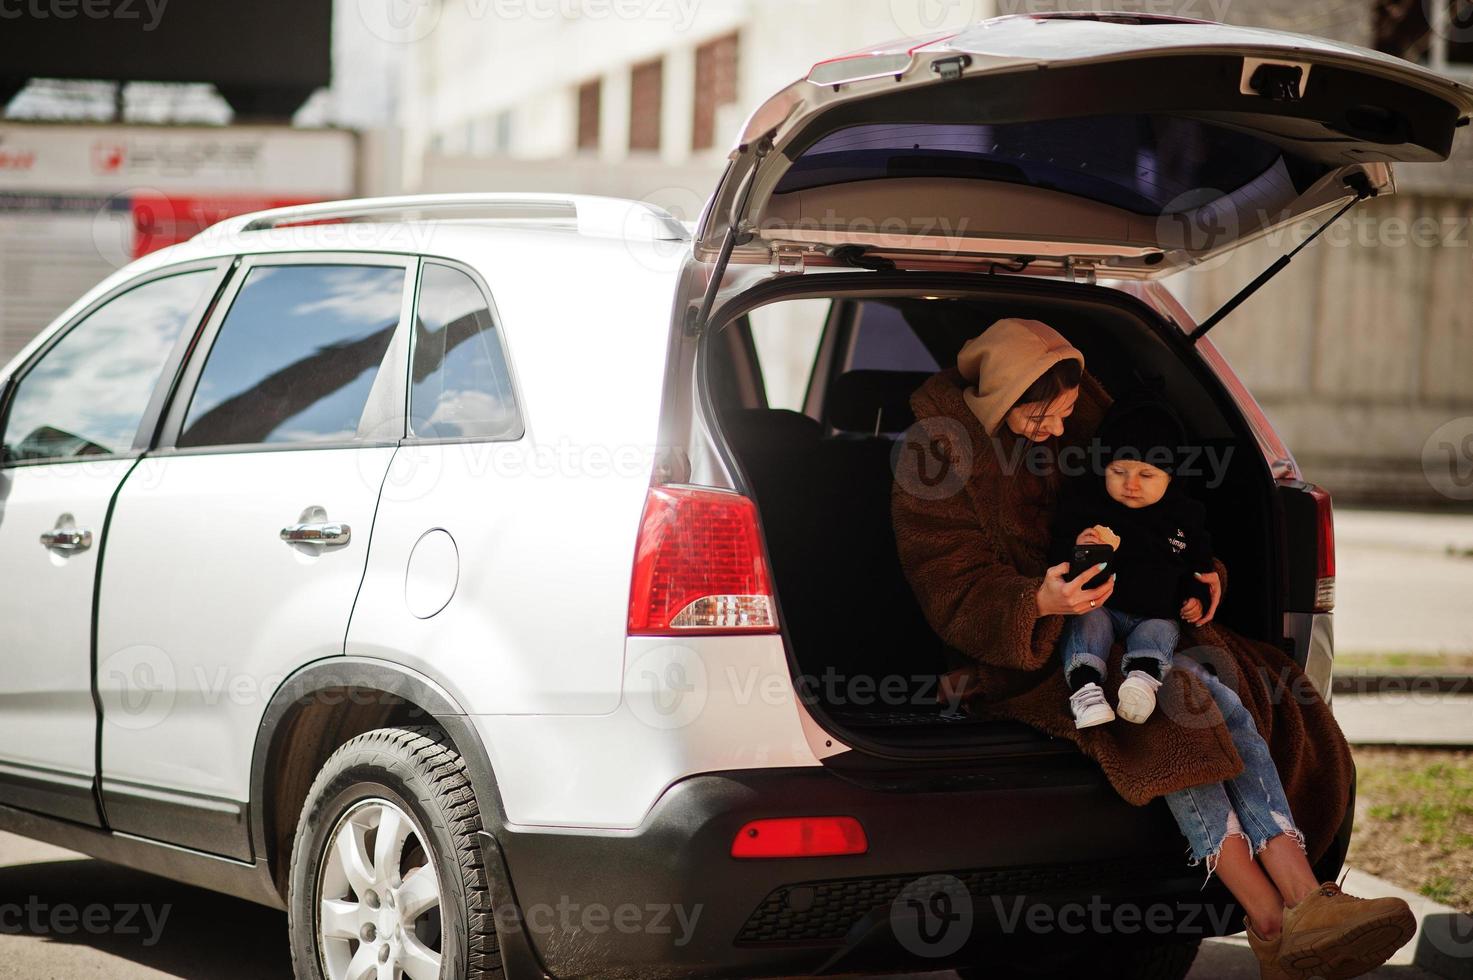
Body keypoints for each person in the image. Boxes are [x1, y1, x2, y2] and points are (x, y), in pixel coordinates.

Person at [891, 317, 1415, 980]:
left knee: (1261, 686)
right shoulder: (935, 456)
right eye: (1040, 418)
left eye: (1063, 415)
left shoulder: (1085, 418)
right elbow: (945, 581)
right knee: (1183, 706)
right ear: (1001, 397)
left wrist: (1206, 574)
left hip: (1136, 613)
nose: (1058, 431)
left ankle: (1304, 901)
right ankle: (1276, 921)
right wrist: (1038, 602)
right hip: (1024, 651)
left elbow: (1166, 511)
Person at [1047, 391, 1216, 729]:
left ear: (1171, 477)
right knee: (1087, 621)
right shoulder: (1087, 506)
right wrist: (1076, 545)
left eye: (1147, 475)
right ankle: (1085, 689)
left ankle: (1142, 681)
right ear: (1103, 468)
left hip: (1154, 611)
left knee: (1159, 631)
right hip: (1102, 603)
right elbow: (1055, 555)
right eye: (1119, 471)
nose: (1131, 485)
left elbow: (1197, 569)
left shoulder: (1185, 517)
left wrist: (1197, 598)